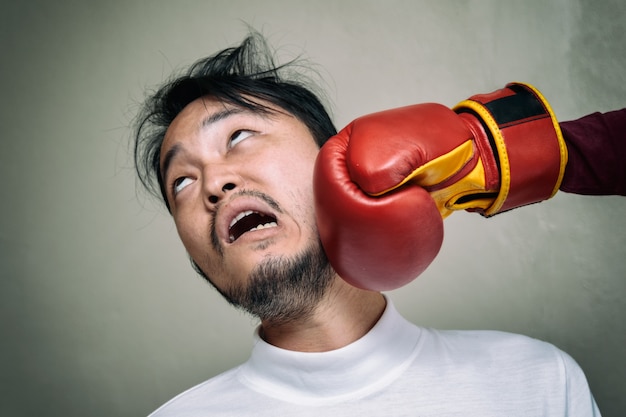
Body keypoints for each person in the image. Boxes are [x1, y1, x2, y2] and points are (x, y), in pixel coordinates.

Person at [134, 32, 623, 416]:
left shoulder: (536, 379)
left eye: (239, 135)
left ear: (334, 158)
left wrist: (502, 154)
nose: (213, 182)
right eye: (181, 182)